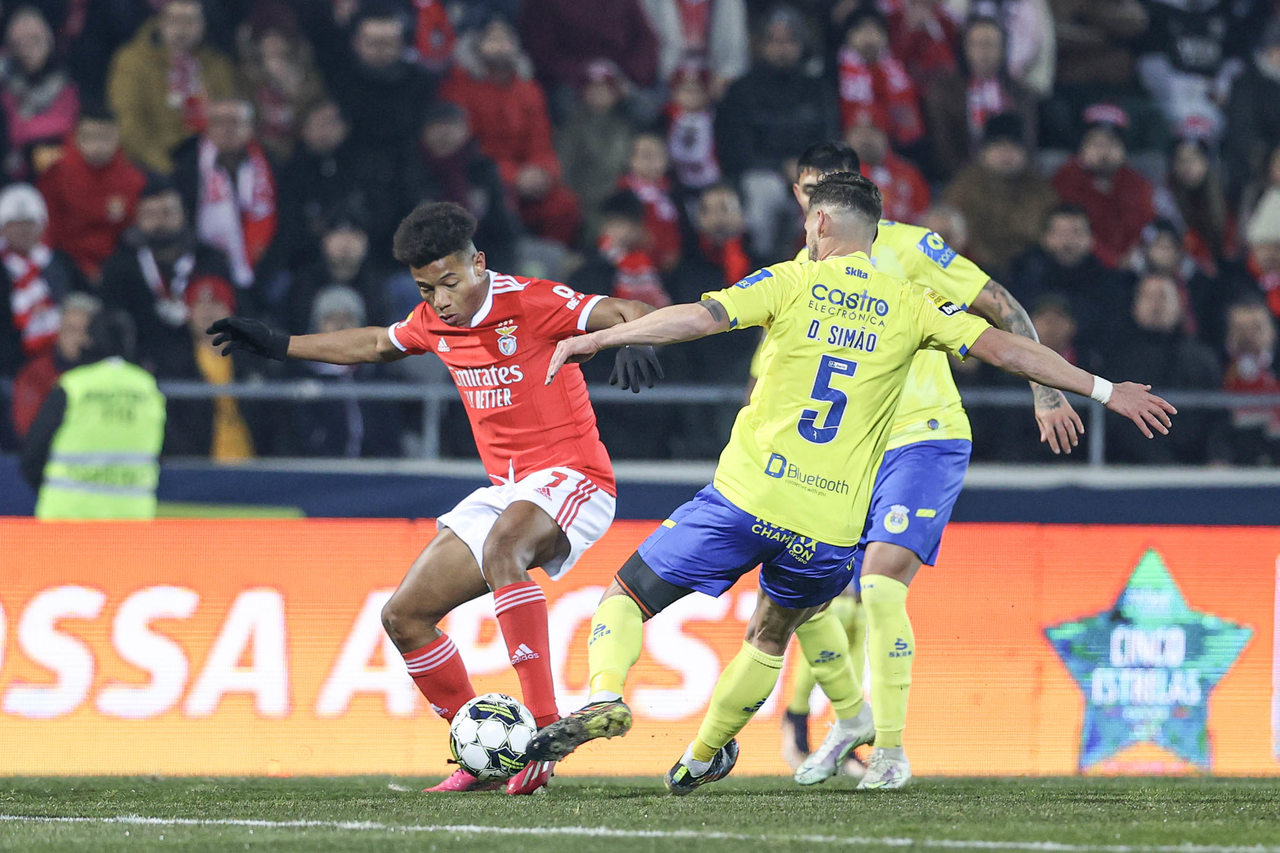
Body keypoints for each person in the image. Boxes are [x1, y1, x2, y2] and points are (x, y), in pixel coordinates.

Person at [525, 171, 1175, 793]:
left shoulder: (790, 280)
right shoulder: (912, 302)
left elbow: (698, 317)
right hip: (830, 528)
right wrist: (1103, 389)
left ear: (821, 223)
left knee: (626, 594)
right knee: (772, 633)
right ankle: (701, 757)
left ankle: (605, 694)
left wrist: (601, 341)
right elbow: (1006, 346)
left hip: (747, 497)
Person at [205, 201, 663, 795]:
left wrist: (631, 337)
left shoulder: (532, 300)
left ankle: (544, 733)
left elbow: (629, 308)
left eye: (450, 282)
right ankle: (483, 756)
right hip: (508, 490)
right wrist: (279, 344)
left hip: (574, 476)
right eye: (427, 289)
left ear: (479, 263)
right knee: (404, 617)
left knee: (503, 550)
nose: (441, 300)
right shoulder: (432, 321)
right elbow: (376, 342)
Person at [758, 142, 1082, 783]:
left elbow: (1002, 305)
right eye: (809, 190)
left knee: (878, 585)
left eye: (830, 188)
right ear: (800, 198)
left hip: (924, 436)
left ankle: (890, 751)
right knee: (816, 596)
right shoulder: (797, 272)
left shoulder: (911, 246)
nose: (818, 204)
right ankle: (839, 721)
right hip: (845, 452)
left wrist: (1046, 391)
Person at [20, 309, 166, 519]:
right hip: (130, 520)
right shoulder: (149, 389)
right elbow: (163, 451)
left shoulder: (73, 386)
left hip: (67, 518)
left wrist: (55, 490)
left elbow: (32, 455)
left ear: (89, 340)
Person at [99, 177, 235, 373]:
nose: (159, 222)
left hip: (203, 367)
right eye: (150, 215)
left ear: (183, 214)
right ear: (137, 219)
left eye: (167, 213)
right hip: (140, 365)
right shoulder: (119, 267)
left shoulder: (210, 260)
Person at [106, 0, 239, 174]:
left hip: (211, 164)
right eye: (174, 20)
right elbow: (127, 124)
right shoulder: (133, 61)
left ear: (203, 25)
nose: (181, 30)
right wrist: (167, 168)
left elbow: (231, 119)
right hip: (155, 165)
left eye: (190, 21)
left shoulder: (217, 65)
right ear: (160, 23)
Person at [38, 105, 147, 283]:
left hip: (119, 266)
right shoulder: (56, 176)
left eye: (105, 137)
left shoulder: (134, 179)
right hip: (69, 265)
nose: (98, 146)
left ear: (118, 137)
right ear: (76, 137)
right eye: (90, 137)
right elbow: (49, 230)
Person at [1051, 104, 1155, 268]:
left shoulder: (1137, 184)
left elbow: (1145, 229)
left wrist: (1132, 258)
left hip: (1130, 268)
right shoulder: (1065, 180)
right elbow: (1071, 234)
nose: (1104, 152)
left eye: (1111, 144)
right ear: (1082, 147)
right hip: (1078, 266)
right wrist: (1113, 261)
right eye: (1096, 144)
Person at [10, 291, 100, 439]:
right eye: (71, 330)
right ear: (58, 331)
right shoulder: (35, 373)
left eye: (85, 331)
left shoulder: (106, 374)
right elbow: (26, 427)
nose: (78, 338)